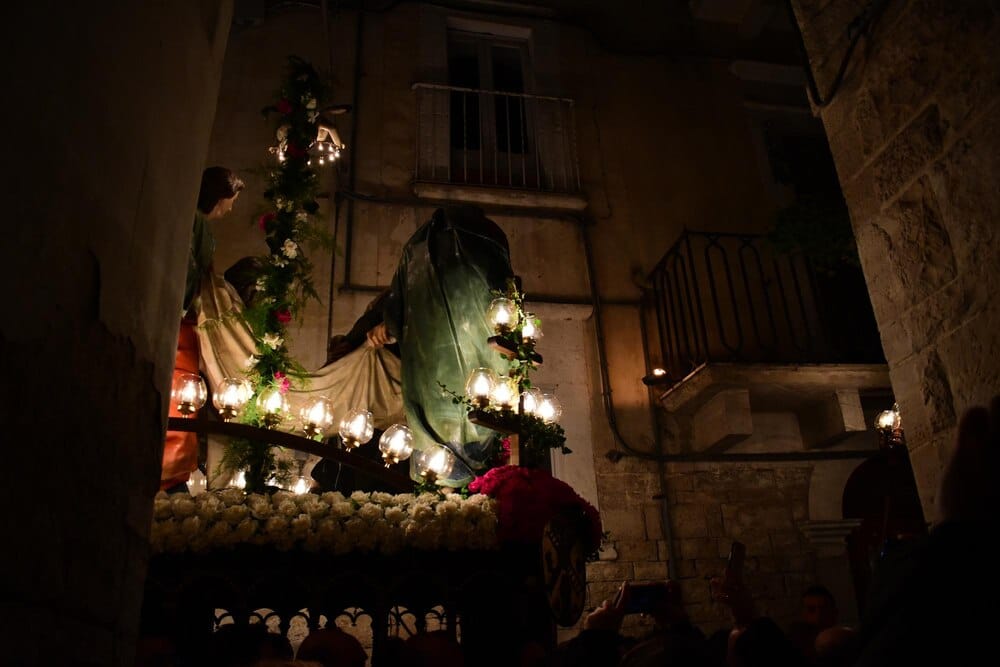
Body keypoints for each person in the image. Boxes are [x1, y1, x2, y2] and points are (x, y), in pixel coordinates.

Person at [368, 205, 515, 486]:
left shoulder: (422, 251)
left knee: (465, 422)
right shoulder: (423, 253)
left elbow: (503, 304)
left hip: (460, 374)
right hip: (435, 375)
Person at [160, 166, 244, 492]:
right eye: (231, 200)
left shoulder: (197, 226)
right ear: (219, 198)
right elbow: (194, 277)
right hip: (184, 321)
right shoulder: (197, 226)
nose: (232, 207)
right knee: (181, 395)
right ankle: (171, 473)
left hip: (185, 318)